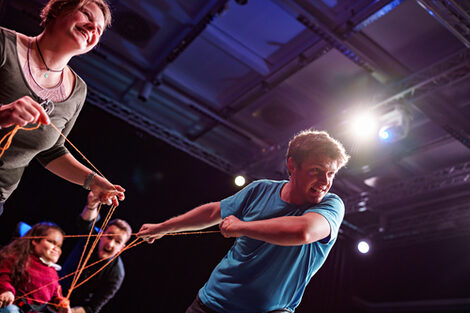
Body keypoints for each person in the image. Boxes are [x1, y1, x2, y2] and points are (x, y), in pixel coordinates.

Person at [138, 129, 350, 313]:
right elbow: (213, 211)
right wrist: (162, 228)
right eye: (317, 171)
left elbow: (303, 232)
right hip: (210, 304)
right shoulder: (260, 189)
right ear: (292, 165)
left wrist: (241, 227)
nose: (325, 182)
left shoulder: (331, 205)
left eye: (331, 173)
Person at [0, 0, 124, 216]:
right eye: (86, 14)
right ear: (57, 10)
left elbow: (52, 151)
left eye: (99, 29)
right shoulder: (4, 43)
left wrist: (93, 181)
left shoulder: (77, 91)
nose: (93, 27)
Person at [60, 191, 132, 313]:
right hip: (53, 288)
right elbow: (86, 222)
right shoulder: (93, 238)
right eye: (109, 237)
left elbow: (92, 308)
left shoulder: (116, 273)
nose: (110, 244)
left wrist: (70, 312)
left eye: (117, 241)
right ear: (101, 234)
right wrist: (92, 205)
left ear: (122, 248)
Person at [0, 222, 71, 313]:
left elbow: (56, 295)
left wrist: (61, 303)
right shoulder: (18, 258)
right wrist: (7, 291)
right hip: (13, 305)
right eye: (51, 242)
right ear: (35, 240)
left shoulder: (52, 272)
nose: (56, 249)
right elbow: (4, 276)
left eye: (59, 246)